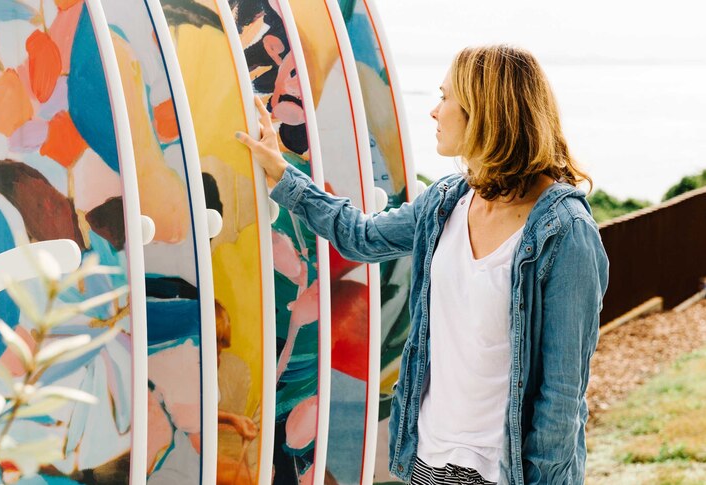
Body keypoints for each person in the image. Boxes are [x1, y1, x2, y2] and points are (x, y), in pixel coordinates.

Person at [236, 44, 609, 485]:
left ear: (484, 110)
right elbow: (362, 236)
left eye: (445, 97)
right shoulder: (446, 202)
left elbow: (562, 396)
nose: (434, 111)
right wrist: (282, 173)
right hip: (427, 461)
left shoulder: (565, 232)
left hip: (502, 473)